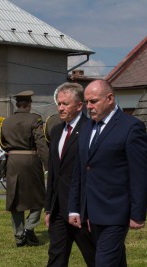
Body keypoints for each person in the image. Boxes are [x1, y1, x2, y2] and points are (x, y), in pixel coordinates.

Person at [68, 80, 147, 267]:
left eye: (94, 101)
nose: (89, 106)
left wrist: (138, 213)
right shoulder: (87, 127)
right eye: (87, 102)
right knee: (115, 260)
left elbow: (140, 174)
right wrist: (75, 207)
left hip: (116, 211)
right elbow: (80, 170)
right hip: (91, 212)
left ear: (110, 98)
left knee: (104, 262)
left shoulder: (131, 127)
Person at [45, 82, 95, 267]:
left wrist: (90, 212)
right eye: (59, 103)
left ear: (79, 106)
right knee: (56, 257)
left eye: (65, 104)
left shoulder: (91, 129)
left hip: (82, 210)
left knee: (94, 256)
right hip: (58, 209)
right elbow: (53, 173)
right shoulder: (56, 131)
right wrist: (49, 208)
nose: (60, 108)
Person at [0, 90, 49, 247]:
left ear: (17, 104)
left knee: (15, 200)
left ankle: (19, 235)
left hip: (13, 161)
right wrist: (48, 164)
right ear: (29, 104)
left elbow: (2, 143)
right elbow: (41, 142)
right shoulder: (35, 119)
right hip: (31, 161)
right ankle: (29, 227)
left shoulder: (6, 121)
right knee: (40, 196)